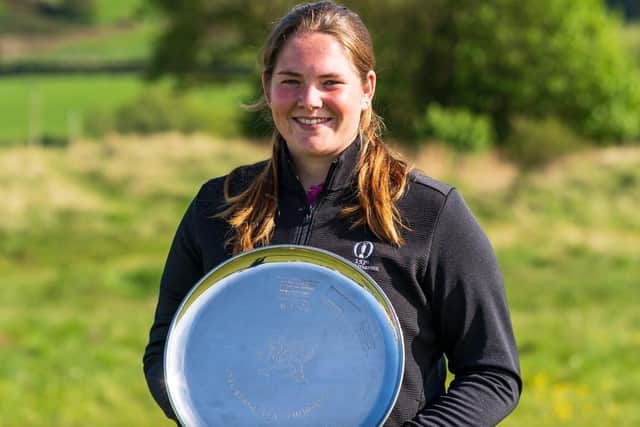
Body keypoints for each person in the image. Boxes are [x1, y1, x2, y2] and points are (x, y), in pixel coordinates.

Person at [143, 1, 522, 426]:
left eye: (330, 82)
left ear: (367, 88)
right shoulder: (218, 206)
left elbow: (492, 374)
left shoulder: (430, 212)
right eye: (291, 81)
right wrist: (207, 415)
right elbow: (169, 349)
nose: (310, 100)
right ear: (267, 86)